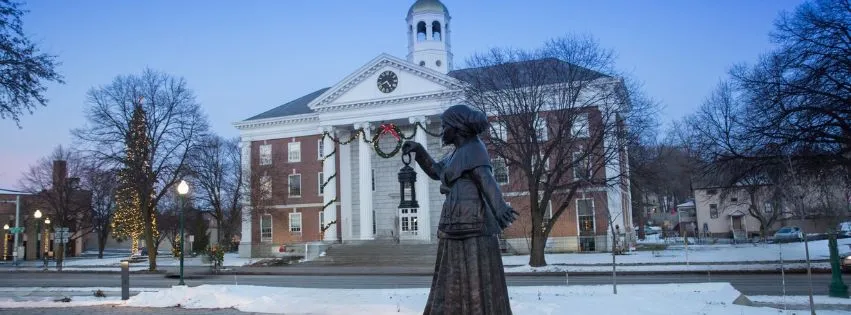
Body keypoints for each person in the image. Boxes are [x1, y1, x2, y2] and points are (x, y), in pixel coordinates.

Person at [402, 104, 518, 315]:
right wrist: (419, 150)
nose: (442, 130)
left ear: (457, 127)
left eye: (445, 125)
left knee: (475, 274)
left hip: (474, 224)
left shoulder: (474, 149)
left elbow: (486, 180)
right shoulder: (457, 153)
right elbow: (436, 171)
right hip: (455, 224)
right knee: (452, 274)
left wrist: (500, 208)